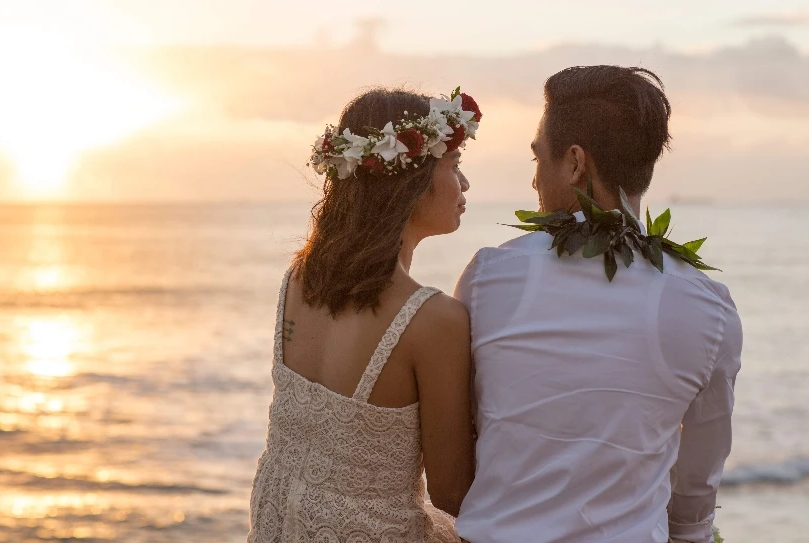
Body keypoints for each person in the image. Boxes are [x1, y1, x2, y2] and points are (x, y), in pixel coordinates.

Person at [454, 66, 742, 543]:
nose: (534, 182)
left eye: (537, 159)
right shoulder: (707, 307)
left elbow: (464, 434)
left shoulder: (490, 277)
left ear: (574, 162)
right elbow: (697, 487)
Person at [248, 87, 481, 542]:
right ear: (410, 182)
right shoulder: (433, 320)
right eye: (453, 166)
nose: (465, 184)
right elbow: (453, 493)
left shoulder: (298, 279)